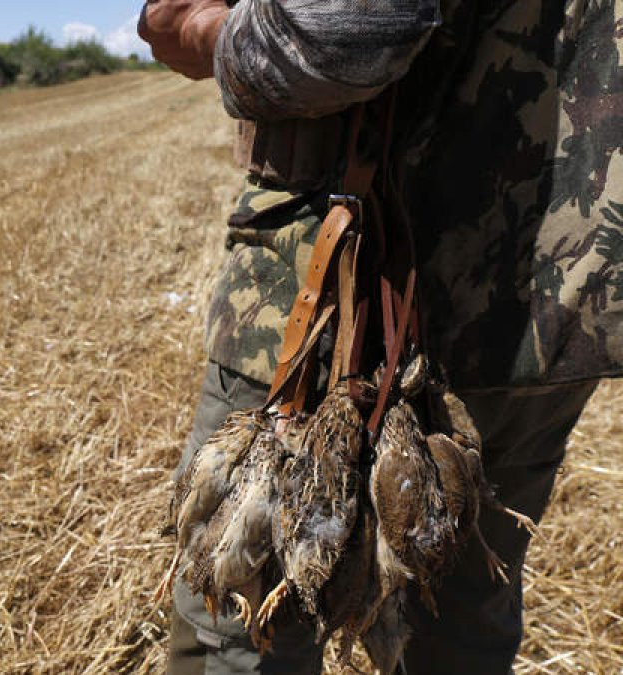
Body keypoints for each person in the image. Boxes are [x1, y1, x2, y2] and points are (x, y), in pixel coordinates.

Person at [138, 0, 622, 673]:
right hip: (563, 291)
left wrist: (203, 34)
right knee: (458, 619)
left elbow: (343, 31)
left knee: (244, 622)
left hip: (339, 299)